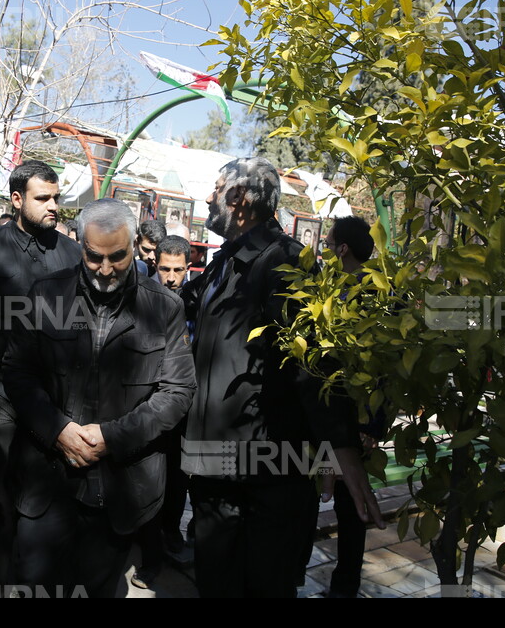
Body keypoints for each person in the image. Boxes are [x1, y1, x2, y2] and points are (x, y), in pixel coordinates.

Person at [180, 157, 384, 598]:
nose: (208, 197)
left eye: (216, 188)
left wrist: (342, 450)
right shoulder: (223, 264)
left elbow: (313, 366)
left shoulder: (286, 264)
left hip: (266, 479)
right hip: (213, 471)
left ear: (239, 199)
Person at [3, 198, 196, 597]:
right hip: (46, 485)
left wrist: (112, 436)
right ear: (80, 246)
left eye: (118, 257)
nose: (105, 269)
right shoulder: (44, 294)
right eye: (94, 257)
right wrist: (58, 431)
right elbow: (18, 372)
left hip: (119, 492)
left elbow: (177, 391)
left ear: (135, 245)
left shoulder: (165, 307)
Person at [0, 159, 82, 583]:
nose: (53, 206)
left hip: (50, 398)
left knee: (43, 504)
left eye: (56, 197)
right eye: (43, 198)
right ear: (18, 199)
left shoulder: (72, 253)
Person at [323, 216, 384, 598]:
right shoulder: (347, 289)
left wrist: (371, 426)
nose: (325, 245)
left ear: (342, 248)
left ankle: (344, 586)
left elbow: (385, 367)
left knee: (350, 502)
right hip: (341, 415)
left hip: (349, 415)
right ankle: (343, 584)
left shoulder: (365, 293)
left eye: (329, 240)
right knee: (346, 504)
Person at [130, 233, 193, 589]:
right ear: (155, 264)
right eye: (165, 269)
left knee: (178, 479)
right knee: (149, 481)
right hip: (147, 404)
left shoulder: (194, 298)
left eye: (178, 270)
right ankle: (151, 555)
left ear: (188, 268)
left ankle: (171, 533)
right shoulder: (140, 295)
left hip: (182, 408)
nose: (170, 277)